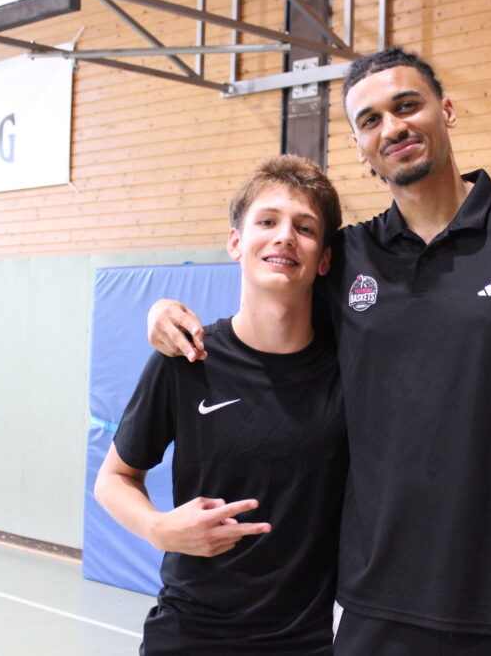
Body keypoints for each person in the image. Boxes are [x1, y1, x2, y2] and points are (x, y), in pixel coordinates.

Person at [150, 48, 491, 656]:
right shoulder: (345, 260)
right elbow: (268, 317)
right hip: (375, 612)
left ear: (446, 110)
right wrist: (159, 311)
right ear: (359, 146)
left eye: (407, 106)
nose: (393, 127)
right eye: (371, 119)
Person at [95, 155, 347, 654]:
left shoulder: (350, 368)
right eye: (267, 221)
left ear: (324, 259)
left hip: (305, 641)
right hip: (190, 634)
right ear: (236, 242)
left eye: (304, 227)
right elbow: (114, 478)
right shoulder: (186, 359)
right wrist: (158, 528)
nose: (284, 236)